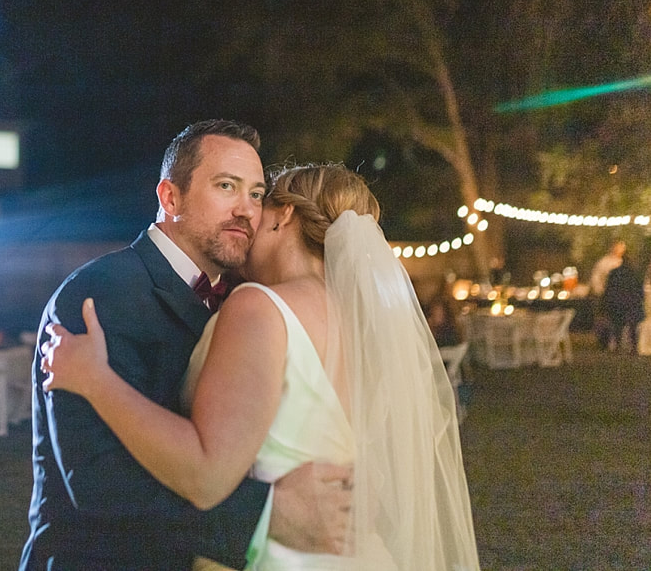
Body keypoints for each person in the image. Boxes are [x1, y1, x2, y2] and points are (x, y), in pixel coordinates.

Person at [43, 163, 480, 570]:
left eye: (259, 199)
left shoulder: (259, 306)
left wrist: (95, 380)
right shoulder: (365, 326)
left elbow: (206, 475)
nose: (248, 217)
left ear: (283, 215)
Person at [19, 122, 352, 570]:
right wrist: (266, 516)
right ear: (170, 198)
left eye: (256, 194)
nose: (247, 210)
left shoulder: (250, 298)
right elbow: (100, 482)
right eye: (226, 186)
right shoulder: (100, 293)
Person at [601, 254, 645, 353]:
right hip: (632, 304)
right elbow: (640, 290)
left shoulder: (614, 272)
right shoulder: (635, 273)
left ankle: (618, 346)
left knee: (618, 327)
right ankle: (634, 347)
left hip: (618, 303)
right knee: (633, 328)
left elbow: (608, 289)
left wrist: (607, 302)